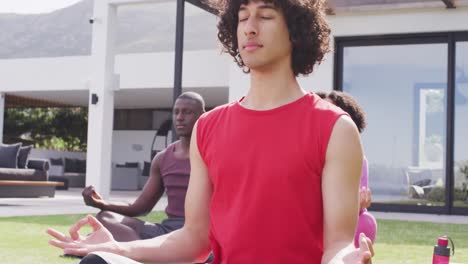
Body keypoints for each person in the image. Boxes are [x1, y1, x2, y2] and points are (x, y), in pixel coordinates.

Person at [47, 1, 374, 263]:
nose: (250, 27)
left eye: (265, 15)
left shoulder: (335, 129)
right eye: (243, 16)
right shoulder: (209, 127)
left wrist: (348, 259)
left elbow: (338, 245)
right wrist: (119, 247)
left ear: (296, 31)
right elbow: (193, 240)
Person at [81, 91, 206, 242]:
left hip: (202, 233)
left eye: (188, 112)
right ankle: (144, 252)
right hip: (168, 232)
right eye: (176, 112)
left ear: (202, 116)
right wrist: (101, 203)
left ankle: (143, 252)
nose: (179, 117)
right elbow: (140, 208)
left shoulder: (215, 154)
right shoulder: (162, 158)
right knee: (105, 216)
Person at [317, 90, 377, 247]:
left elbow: (358, 198)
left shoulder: (358, 159)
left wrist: (356, 203)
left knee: (365, 219)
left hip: (344, 227)